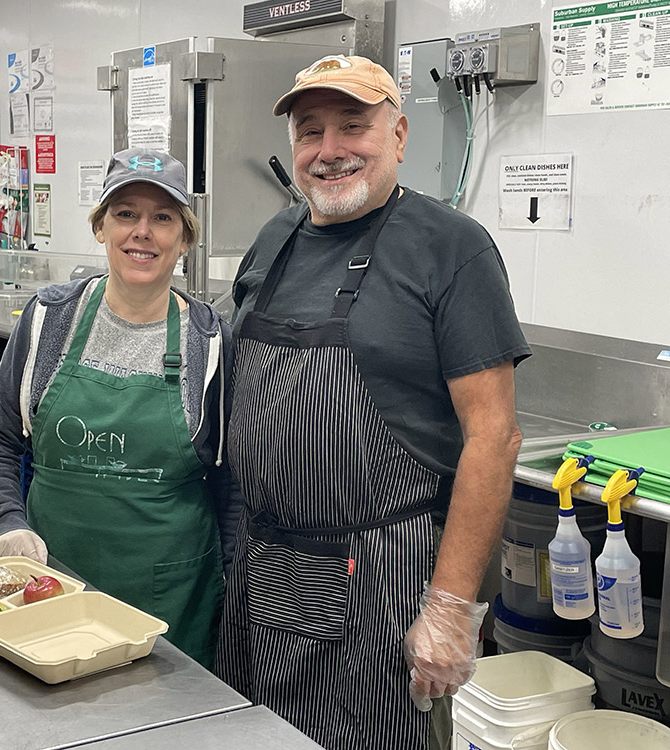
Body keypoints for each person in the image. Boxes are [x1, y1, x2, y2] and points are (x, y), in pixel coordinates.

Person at [214, 55, 532, 749]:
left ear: (399, 135)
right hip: (265, 566)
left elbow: (494, 436)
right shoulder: (275, 241)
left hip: (382, 578)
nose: (329, 151)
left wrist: (450, 609)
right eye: (310, 132)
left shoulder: (451, 248)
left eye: (352, 125)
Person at [0, 148, 241, 668]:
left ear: (184, 239)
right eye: (126, 214)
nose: (143, 232)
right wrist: (7, 522)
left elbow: (230, 482)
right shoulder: (50, 320)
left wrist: (230, 585)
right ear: (101, 227)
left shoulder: (211, 342)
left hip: (172, 600)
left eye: (163, 218)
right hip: (53, 582)